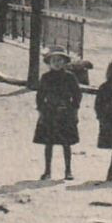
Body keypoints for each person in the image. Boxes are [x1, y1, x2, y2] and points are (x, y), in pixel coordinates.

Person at [35, 46, 82, 180]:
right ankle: (47, 171)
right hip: (49, 113)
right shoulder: (45, 77)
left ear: (64, 62)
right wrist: (41, 110)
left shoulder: (70, 77)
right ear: (49, 63)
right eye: (54, 60)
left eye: (60, 60)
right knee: (48, 143)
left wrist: (74, 109)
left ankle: (68, 171)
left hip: (65, 113)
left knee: (66, 143)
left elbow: (77, 94)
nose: (57, 63)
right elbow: (40, 95)